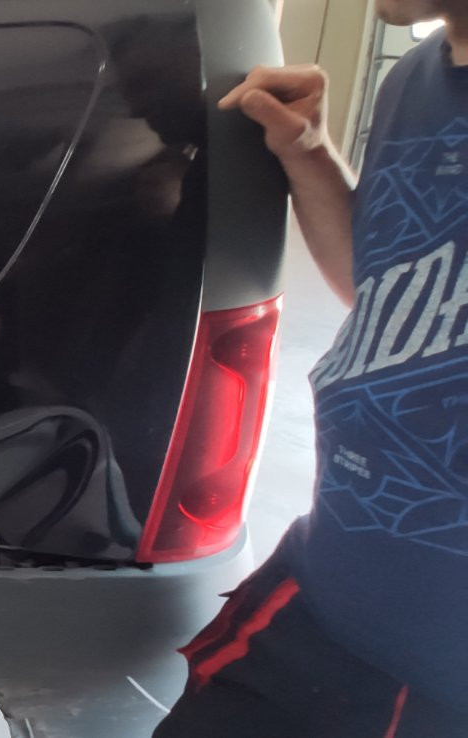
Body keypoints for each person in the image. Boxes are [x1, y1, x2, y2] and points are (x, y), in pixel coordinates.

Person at [154, 3, 468, 736]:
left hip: (441, 672)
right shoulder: (415, 80)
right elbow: (384, 285)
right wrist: (308, 152)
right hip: (322, 591)